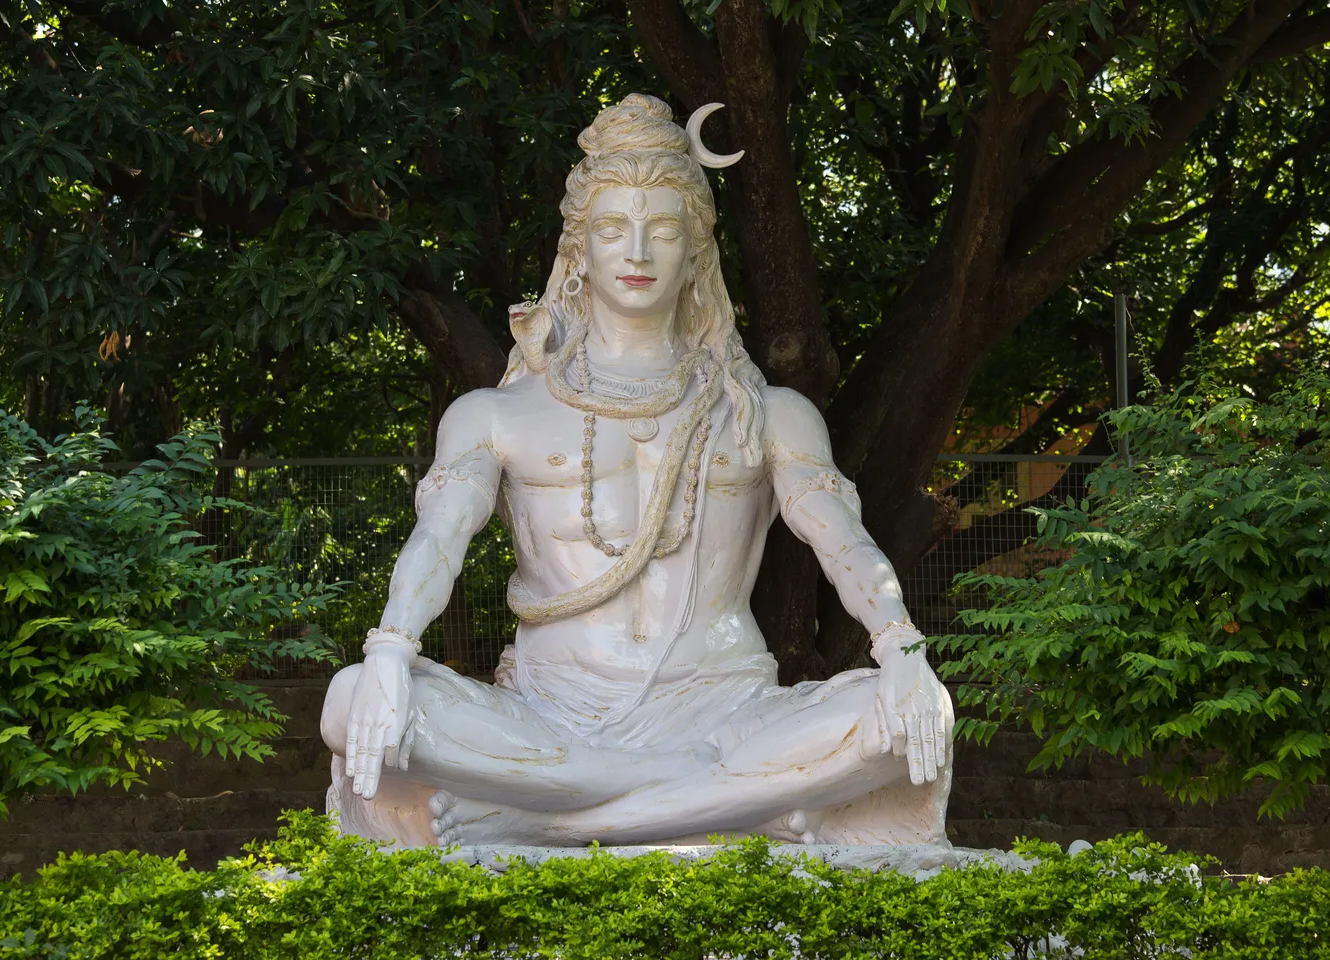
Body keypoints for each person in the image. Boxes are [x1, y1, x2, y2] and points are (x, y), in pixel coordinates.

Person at [319, 94, 953, 847]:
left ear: (697, 252)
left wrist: (901, 649)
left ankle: (540, 817)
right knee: (351, 699)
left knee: (913, 713)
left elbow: (845, 545)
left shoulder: (767, 414)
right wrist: (392, 651)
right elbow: (439, 538)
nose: (639, 253)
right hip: (550, 717)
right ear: (578, 250)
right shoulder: (495, 415)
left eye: (664, 231)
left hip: (729, 713)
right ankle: (732, 804)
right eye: (614, 229)